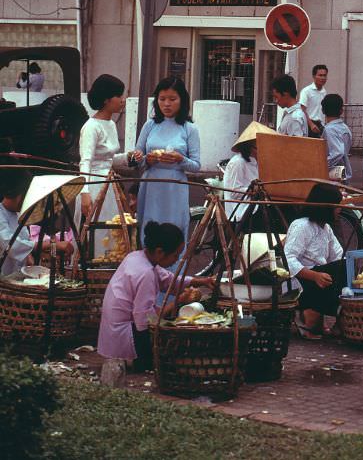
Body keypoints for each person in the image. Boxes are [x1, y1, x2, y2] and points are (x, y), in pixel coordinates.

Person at [97, 220, 214, 371]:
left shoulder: (137, 257)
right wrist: (178, 301)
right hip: (126, 338)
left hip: (115, 333)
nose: (175, 260)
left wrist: (201, 281)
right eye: (175, 255)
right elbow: (145, 321)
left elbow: (169, 281)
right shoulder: (145, 273)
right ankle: (138, 362)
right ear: (159, 252)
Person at [131, 77, 200, 248]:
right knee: (149, 229)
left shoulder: (190, 128)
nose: (166, 104)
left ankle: (173, 273)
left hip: (175, 186)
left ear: (182, 100)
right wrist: (146, 159)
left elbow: (196, 166)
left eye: (172, 99)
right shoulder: (150, 125)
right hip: (151, 184)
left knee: (174, 230)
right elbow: (136, 157)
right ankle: (149, 272)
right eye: (162, 99)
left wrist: (180, 159)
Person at [283, 182, 345, 339]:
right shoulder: (302, 226)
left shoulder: (326, 228)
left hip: (319, 278)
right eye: (337, 206)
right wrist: (314, 276)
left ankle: (339, 320)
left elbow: (337, 255)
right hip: (299, 281)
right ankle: (307, 317)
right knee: (332, 273)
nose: (340, 209)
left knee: (343, 268)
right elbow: (288, 260)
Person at [79, 75, 126, 250]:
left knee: (110, 231)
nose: (123, 100)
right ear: (106, 100)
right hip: (94, 185)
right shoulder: (91, 127)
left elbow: (109, 158)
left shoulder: (111, 125)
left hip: (110, 186)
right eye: (119, 96)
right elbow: (86, 161)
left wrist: (128, 158)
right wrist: (84, 192)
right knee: (94, 233)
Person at [0, 169, 73, 275]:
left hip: (15, 275)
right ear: (18, 194)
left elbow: (24, 242)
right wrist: (50, 244)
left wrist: (31, 257)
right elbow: (10, 245)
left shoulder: (18, 216)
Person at [222, 121, 273, 220]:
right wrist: (253, 189)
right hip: (241, 209)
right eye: (259, 148)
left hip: (256, 204)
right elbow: (234, 192)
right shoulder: (238, 162)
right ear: (249, 147)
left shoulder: (256, 161)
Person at [321, 93, 352, 184]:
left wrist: (322, 165)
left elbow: (338, 152)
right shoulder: (345, 128)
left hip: (333, 174)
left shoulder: (329, 129)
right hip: (344, 171)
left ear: (323, 110)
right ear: (341, 110)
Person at [299, 64, 328, 137]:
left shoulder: (324, 92)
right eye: (320, 75)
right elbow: (302, 110)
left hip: (321, 126)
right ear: (314, 76)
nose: (323, 78)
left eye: (324, 75)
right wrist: (311, 124)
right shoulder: (306, 91)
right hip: (309, 125)